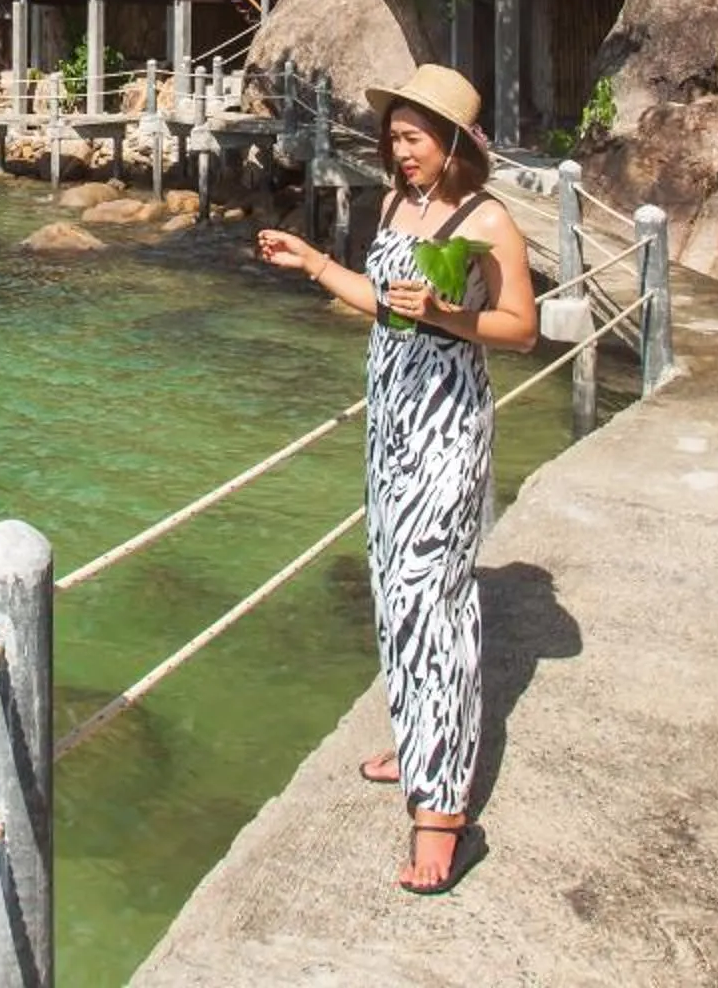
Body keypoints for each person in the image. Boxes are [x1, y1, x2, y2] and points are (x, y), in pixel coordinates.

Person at [254, 64, 536, 894]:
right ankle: (420, 744)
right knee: (392, 585)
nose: (400, 151)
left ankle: (443, 812)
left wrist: (446, 314)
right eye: (395, 138)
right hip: (390, 424)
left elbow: (521, 329)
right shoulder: (394, 207)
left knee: (432, 597)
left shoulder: (488, 220)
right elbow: (383, 304)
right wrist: (312, 261)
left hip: (448, 426)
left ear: (451, 142)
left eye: (414, 138)